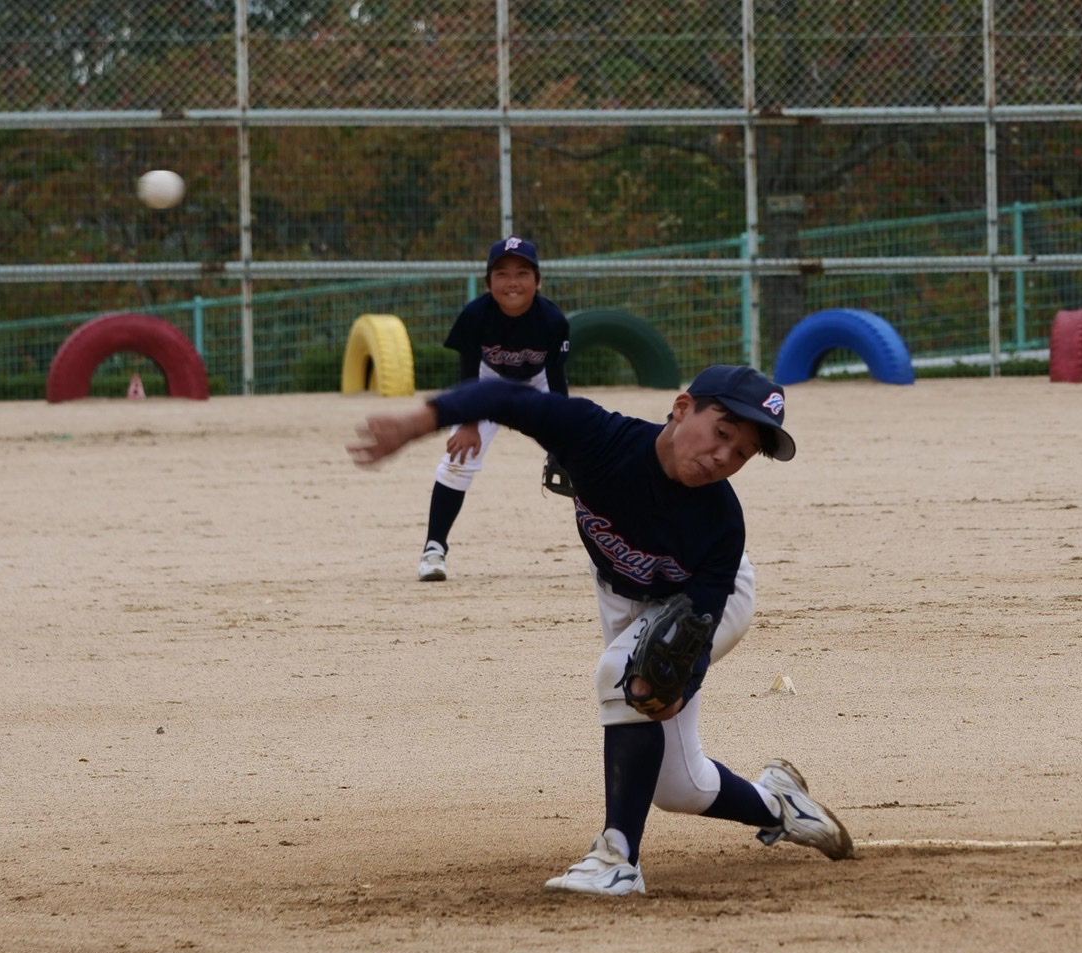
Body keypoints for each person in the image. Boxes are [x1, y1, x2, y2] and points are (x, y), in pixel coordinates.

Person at [348, 364, 854, 895]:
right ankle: (778, 804)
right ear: (683, 409)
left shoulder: (721, 522)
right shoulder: (598, 436)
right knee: (678, 786)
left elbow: (702, 621)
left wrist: (679, 687)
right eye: (722, 432)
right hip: (622, 590)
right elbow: (506, 396)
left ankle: (618, 859)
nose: (723, 456)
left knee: (623, 674)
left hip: (707, 602)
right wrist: (417, 422)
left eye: (743, 453)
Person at [416, 235, 570, 582]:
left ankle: (607, 550)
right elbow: (468, 372)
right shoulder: (475, 315)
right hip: (487, 380)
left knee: (582, 458)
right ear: (488, 283)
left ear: (538, 281)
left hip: (537, 382)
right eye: (502, 274)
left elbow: (557, 379)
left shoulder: (552, 320)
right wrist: (469, 423)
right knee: (458, 459)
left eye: (522, 273)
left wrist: (565, 432)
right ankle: (433, 549)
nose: (512, 282)